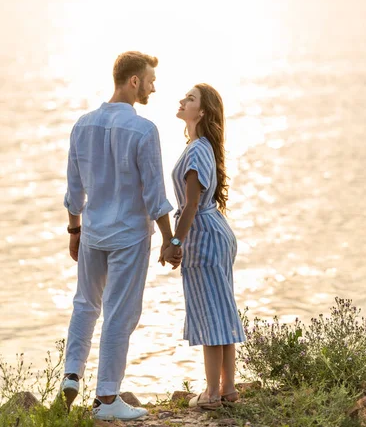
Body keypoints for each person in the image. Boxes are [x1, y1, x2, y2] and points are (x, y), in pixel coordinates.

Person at [61, 51, 181, 422]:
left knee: (85, 304)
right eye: (149, 80)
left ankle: (71, 375)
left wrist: (74, 229)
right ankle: (107, 399)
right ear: (133, 81)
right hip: (129, 236)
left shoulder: (82, 125)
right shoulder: (144, 130)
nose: (153, 87)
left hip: (93, 232)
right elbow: (154, 194)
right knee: (119, 313)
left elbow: (74, 187)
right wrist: (169, 239)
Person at [162, 83, 245, 410]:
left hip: (204, 235)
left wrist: (175, 242)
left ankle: (212, 393)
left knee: (212, 314)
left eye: (190, 99)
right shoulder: (202, 145)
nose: (182, 100)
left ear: (203, 112)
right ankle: (228, 389)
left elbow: (192, 204)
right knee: (220, 310)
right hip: (214, 232)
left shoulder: (198, 149)